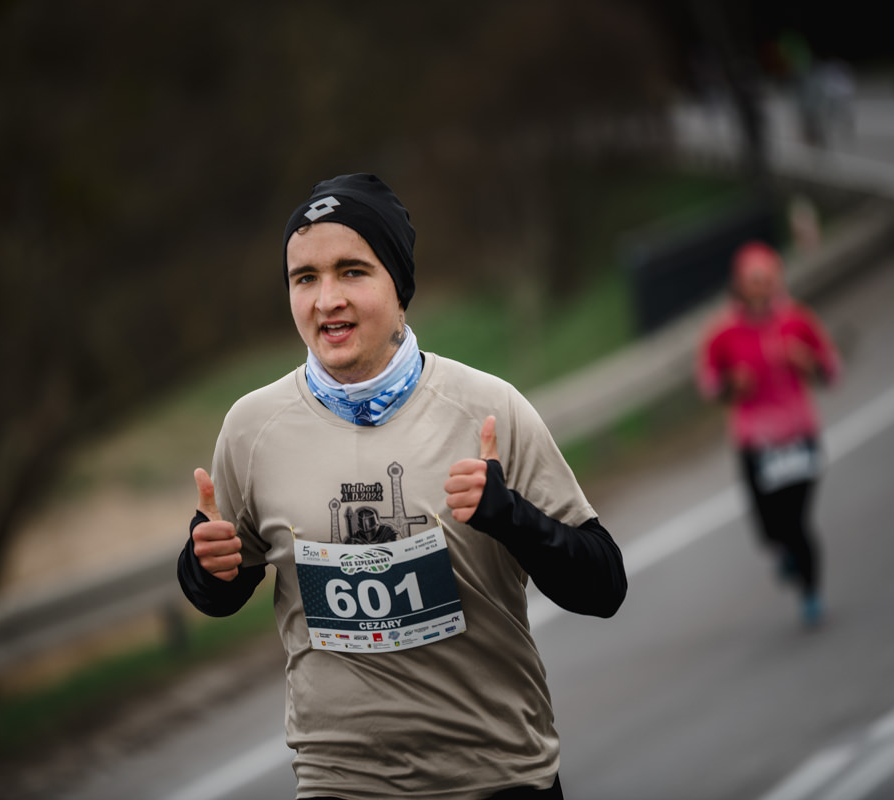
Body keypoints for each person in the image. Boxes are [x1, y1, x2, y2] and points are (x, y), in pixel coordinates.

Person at [177, 173, 627, 799]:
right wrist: (206, 570)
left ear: (399, 285)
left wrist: (510, 517)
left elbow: (604, 587)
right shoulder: (252, 428)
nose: (327, 299)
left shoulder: (487, 409)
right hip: (339, 783)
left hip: (497, 777)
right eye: (305, 278)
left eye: (352, 272)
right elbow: (224, 589)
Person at [696, 241, 841, 628]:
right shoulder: (724, 333)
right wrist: (732, 385)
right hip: (755, 442)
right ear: (740, 284)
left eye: (767, 279)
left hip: (799, 434)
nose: (761, 287)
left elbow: (831, 370)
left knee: (797, 522)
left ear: (777, 279)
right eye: (753, 280)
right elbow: (708, 384)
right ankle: (784, 551)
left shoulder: (797, 320)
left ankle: (811, 593)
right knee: (770, 528)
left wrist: (807, 362)